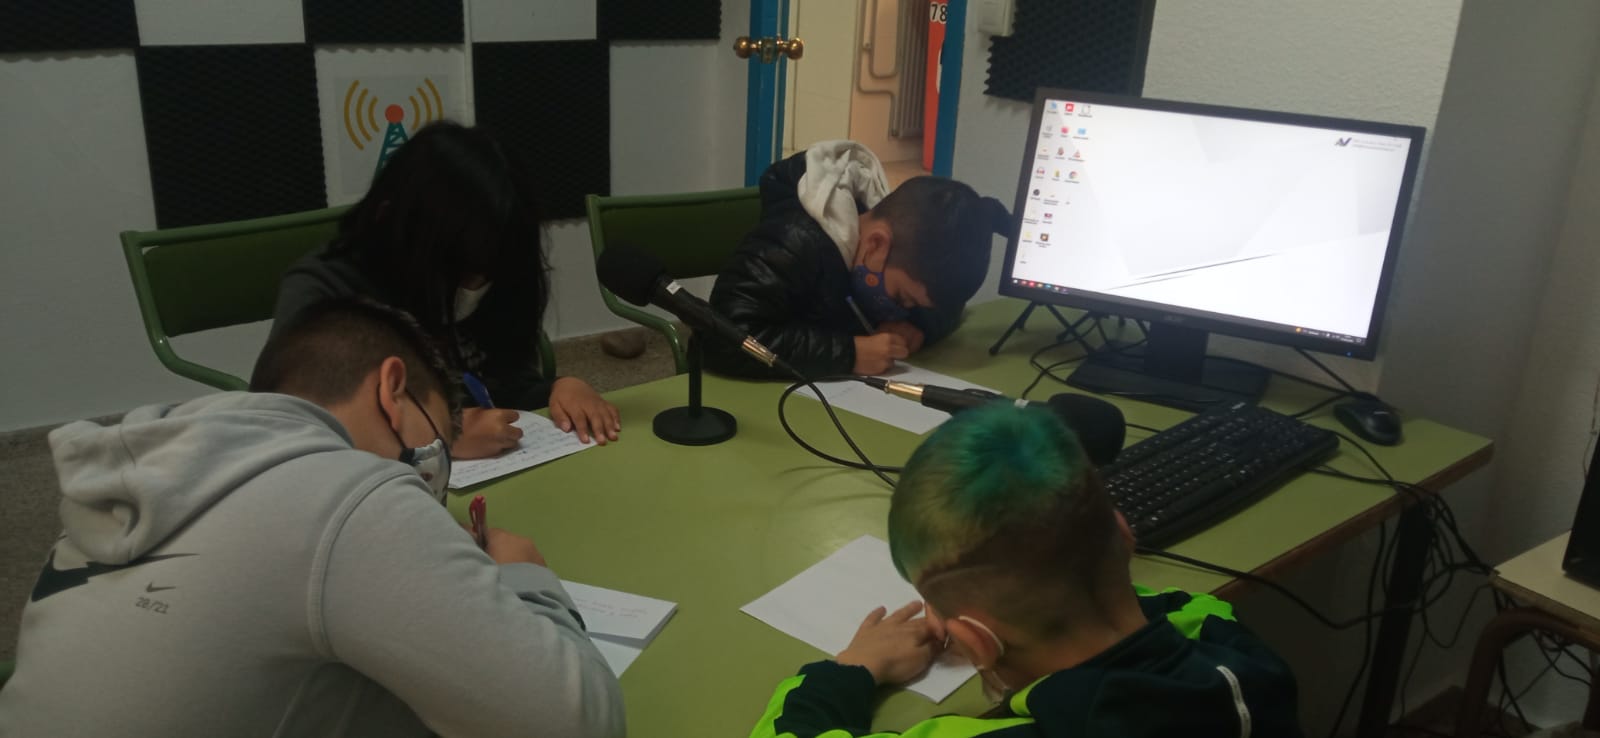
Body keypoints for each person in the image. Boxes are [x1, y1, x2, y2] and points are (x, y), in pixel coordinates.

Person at [0, 298, 625, 738]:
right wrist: (524, 581)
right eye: (438, 437)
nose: (433, 480)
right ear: (392, 389)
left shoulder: (158, 472)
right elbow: (578, 725)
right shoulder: (351, 495)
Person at [747, 403, 1303, 737]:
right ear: (1124, 534)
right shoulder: (1243, 659)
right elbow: (1181, 606)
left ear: (975, 643)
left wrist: (853, 668)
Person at [272, 121, 619, 458]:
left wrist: (557, 389)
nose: (475, 286)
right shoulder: (325, 295)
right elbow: (298, 432)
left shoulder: (499, 274)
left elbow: (506, 385)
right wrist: (432, 437)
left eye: (486, 273)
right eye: (462, 271)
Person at [707, 140, 1009, 379]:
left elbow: (946, 307)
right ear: (876, 245)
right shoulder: (794, 241)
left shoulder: (908, 256)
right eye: (901, 298)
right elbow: (721, 338)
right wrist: (848, 354)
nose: (903, 309)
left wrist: (919, 327)